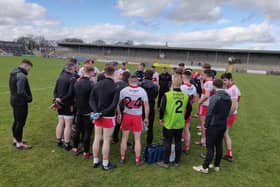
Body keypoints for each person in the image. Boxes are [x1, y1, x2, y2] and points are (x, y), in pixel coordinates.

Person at [193, 79, 232, 173]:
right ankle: (216, 165)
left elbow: (209, 112)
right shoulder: (228, 96)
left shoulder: (215, 97)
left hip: (213, 125)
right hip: (222, 124)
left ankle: (204, 167)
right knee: (219, 145)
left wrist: (206, 124)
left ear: (214, 86)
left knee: (210, 147)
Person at [157, 75, 192, 168]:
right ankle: (177, 161)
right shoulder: (185, 95)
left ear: (172, 83)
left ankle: (166, 162)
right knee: (178, 142)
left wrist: (161, 118)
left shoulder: (167, 95)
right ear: (181, 84)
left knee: (167, 141)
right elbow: (190, 108)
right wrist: (185, 117)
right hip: (179, 122)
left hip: (169, 122)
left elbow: (162, 109)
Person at [90, 65, 119, 171]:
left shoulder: (97, 84)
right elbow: (114, 104)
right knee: (106, 140)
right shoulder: (116, 86)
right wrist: (100, 113)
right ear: (114, 73)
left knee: (97, 138)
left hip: (99, 115)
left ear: (104, 72)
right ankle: (105, 164)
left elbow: (91, 100)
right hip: (107, 116)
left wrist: (97, 112)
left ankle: (96, 160)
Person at [118, 76, 149, 166]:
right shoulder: (142, 91)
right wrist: (146, 117)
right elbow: (146, 106)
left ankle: (122, 157)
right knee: (137, 139)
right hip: (137, 117)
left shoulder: (124, 90)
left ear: (129, 81)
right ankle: (137, 159)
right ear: (138, 81)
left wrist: (119, 113)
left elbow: (117, 103)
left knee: (124, 138)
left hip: (127, 115)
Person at [9, 59, 33, 150]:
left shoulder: (13, 72)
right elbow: (21, 91)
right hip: (20, 102)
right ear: (26, 66)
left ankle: (16, 139)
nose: (28, 71)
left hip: (14, 100)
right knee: (20, 122)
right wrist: (28, 98)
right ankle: (19, 143)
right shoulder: (21, 76)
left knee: (16, 121)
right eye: (29, 69)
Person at [72, 66, 95, 159]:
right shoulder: (91, 84)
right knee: (87, 132)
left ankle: (75, 147)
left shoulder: (77, 82)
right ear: (90, 72)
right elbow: (92, 99)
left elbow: (74, 96)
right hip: (87, 111)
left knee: (78, 129)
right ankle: (86, 152)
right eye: (93, 72)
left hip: (78, 109)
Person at [54, 62, 76, 151]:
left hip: (59, 103)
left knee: (60, 121)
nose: (75, 69)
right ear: (71, 69)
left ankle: (58, 140)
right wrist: (62, 99)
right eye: (74, 68)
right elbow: (70, 93)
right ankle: (66, 143)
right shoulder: (72, 78)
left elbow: (55, 90)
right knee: (68, 124)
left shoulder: (60, 77)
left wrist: (57, 98)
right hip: (68, 103)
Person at [221, 72, 241, 162]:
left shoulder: (233, 89)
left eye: (225, 80)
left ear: (230, 80)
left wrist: (227, 115)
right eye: (222, 80)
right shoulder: (230, 88)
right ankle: (228, 154)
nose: (223, 82)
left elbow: (233, 105)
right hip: (229, 114)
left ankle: (228, 154)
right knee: (224, 133)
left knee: (224, 133)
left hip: (230, 114)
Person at [196, 70, 215, 146]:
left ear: (207, 76)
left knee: (203, 124)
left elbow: (206, 95)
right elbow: (205, 90)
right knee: (208, 123)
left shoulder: (207, 83)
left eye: (204, 75)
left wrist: (200, 101)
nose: (202, 76)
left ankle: (203, 140)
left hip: (204, 105)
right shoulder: (213, 83)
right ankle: (206, 139)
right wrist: (201, 82)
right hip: (211, 105)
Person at [180, 70, 197, 154]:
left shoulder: (182, 87)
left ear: (183, 77)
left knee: (180, 127)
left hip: (181, 110)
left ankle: (180, 143)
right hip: (189, 109)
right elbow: (194, 99)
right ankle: (187, 146)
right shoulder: (193, 87)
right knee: (186, 128)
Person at [112, 71, 131, 144]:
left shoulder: (116, 83)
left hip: (115, 105)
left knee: (117, 122)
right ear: (128, 78)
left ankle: (115, 138)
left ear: (122, 76)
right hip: (124, 107)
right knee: (124, 123)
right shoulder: (128, 86)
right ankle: (123, 139)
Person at [141, 70, 159, 145]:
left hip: (141, 106)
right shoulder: (155, 86)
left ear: (145, 75)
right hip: (150, 106)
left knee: (137, 127)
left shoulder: (141, 84)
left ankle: (135, 144)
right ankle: (149, 143)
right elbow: (155, 95)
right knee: (150, 127)